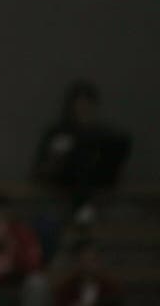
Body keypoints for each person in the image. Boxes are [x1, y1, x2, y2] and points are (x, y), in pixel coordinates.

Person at [34, 80, 131, 213]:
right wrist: (58, 155)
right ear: (72, 106)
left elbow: (115, 163)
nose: (83, 109)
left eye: (88, 105)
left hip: (97, 178)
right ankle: (83, 212)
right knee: (81, 161)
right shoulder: (58, 132)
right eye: (80, 104)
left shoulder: (102, 133)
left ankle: (84, 211)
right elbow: (43, 168)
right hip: (65, 176)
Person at [55, 239, 121, 306]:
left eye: (93, 260)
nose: (89, 266)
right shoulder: (65, 289)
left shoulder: (111, 289)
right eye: (84, 260)